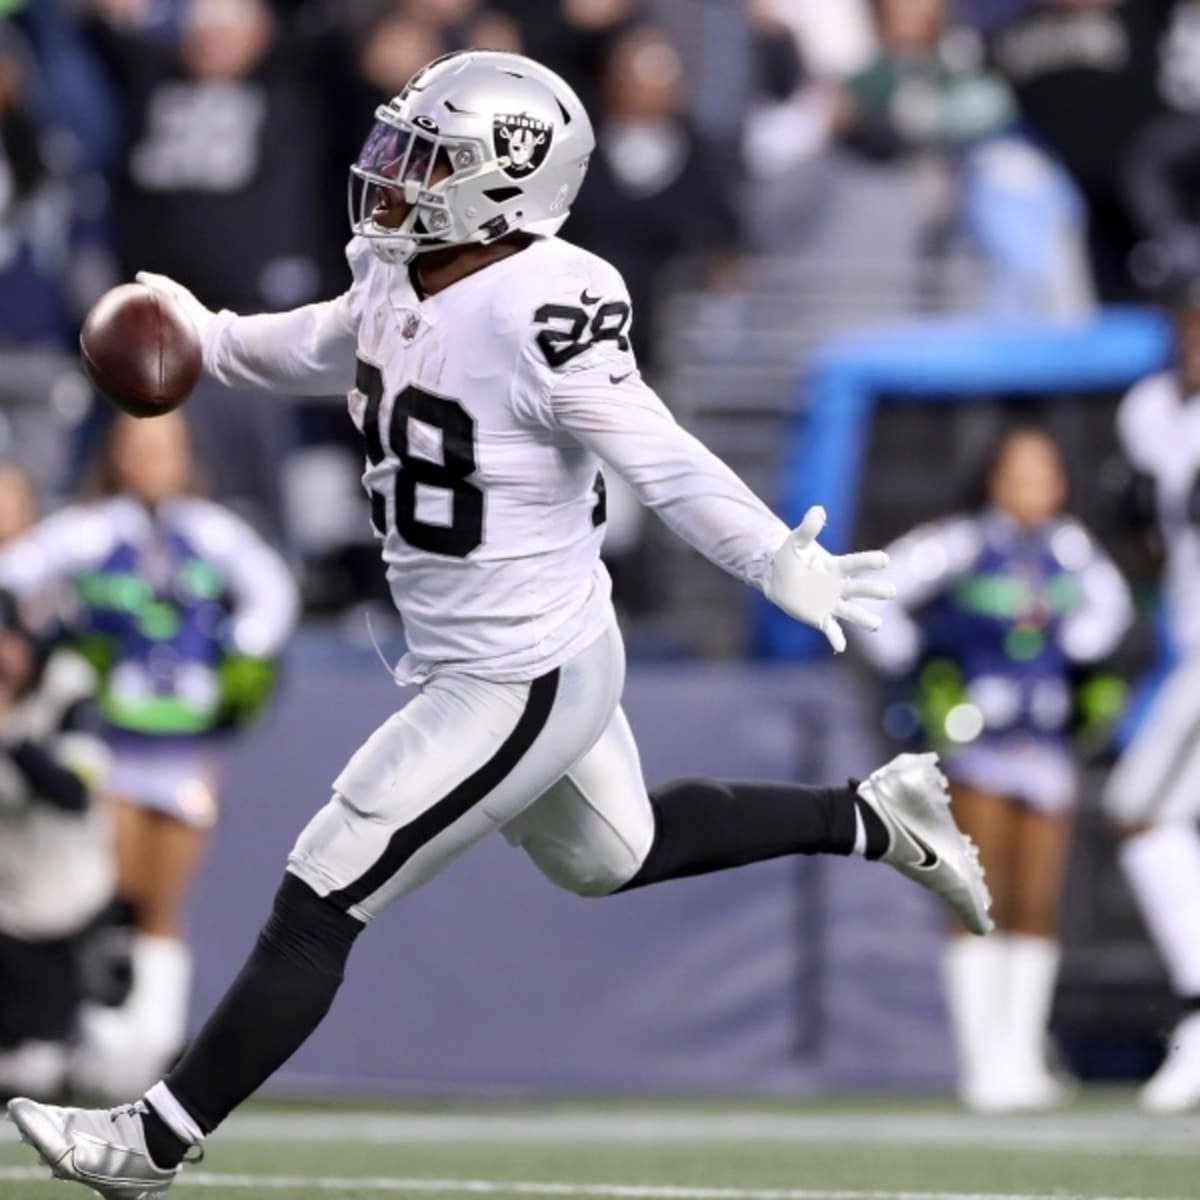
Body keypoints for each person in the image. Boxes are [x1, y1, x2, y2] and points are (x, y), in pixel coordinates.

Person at [5, 51, 991, 1198]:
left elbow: (660, 459)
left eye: (426, 158)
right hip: (506, 651)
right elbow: (314, 343)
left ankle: (150, 1143)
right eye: (398, 146)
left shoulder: (546, 304)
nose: (391, 174)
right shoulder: (398, 271)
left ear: (506, 185)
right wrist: (205, 331)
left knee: (326, 885)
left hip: (520, 672)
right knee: (611, 857)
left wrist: (774, 554)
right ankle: (870, 816)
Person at [0, 411, 298, 1101]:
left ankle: (153, 1042)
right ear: (114, 453)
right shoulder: (92, 530)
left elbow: (272, 592)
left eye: (164, 447)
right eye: (138, 446)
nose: (151, 461)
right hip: (114, 742)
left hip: (185, 746)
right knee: (112, 896)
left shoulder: (210, 532)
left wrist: (240, 651)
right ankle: (100, 1039)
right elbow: (19, 572)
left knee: (165, 897)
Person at [856, 426, 1132, 1111]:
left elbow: (1112, 611)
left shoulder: (1068, 548)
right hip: (975, 743)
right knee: (977, 895)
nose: (1036, 486)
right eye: (1022, 472)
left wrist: (1077, 651)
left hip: (1043, 741)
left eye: (1047, 473)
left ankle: (1019, 1055)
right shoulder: (958, 542)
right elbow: (874, 592)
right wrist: (915, 664)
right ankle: (982, 1061)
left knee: (1036, 904)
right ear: (992, 478)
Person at [1104, 272, 1200, 1112]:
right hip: (1189, 646)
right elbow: (1152, 542)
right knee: (1146, 817)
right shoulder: (1149, 409)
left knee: (1143, 811)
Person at [0, 589, 113, 1101]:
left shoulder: (68, 692)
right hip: (6, 895)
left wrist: (11, 735)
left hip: (64, 899)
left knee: (47, 1074)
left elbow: (73, 791)